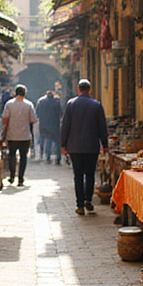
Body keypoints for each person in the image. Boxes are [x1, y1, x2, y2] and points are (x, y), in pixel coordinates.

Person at [60, 78, 108, 216]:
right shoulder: (97, 105)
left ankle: (79, 204)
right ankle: (88, 200)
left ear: (78, 89)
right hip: (92, 147)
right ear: (90, 90)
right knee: (90, 175)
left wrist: (63, 144)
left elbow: (65, 126)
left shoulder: (71, 104)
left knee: (78, 176)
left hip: (75, 147)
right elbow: (102, 127)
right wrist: (104, 144)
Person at [1, 84, 37, 186]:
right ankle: (20, 178)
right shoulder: (29, 105)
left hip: (12, 135)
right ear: (25, 93)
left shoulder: (9, 104)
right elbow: (33, 119)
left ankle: (12, 177)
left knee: (12, 155)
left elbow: (5, 118)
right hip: (25, 136)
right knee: (23, 157)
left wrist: (6, 128)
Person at [35, 89, 63, 164]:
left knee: (47, 141)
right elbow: (60, 113)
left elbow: (37, 113)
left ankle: (47, 157)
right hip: (55, 124)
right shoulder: (56, 101)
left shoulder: (41, 101)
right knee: (57, 142)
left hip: (44, 124)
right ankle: (58, 158)